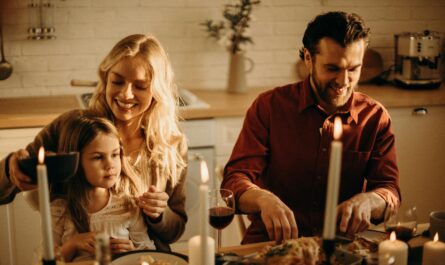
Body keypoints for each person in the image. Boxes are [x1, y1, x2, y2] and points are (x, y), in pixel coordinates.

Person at [221, 11, 401, 244]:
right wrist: (263, 199)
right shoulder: (269, 107)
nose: (343, 82)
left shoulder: (375, 117)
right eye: (332, 68)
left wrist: (370, 200)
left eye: (354, 69)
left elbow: (390, 191)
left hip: (340, 249)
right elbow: (235, 179)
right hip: (272, 245)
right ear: (308, 58)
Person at [0, 34, 188, 250]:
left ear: (157, 90)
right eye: (117, 81)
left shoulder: (171, 145)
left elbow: (175, 232)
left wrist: (160, 214)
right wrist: (11, 169)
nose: (126, 94)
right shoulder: (72, 128)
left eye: (140, 86)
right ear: (105, 78)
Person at [52, 115, 155, 262]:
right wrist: (73, 244)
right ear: (75, 161)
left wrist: (131, 251)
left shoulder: (128, 204)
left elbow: (148, 252)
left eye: (114, 154)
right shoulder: (60, 209)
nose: (110, 165)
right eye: (98, 157)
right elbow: (48, 259)